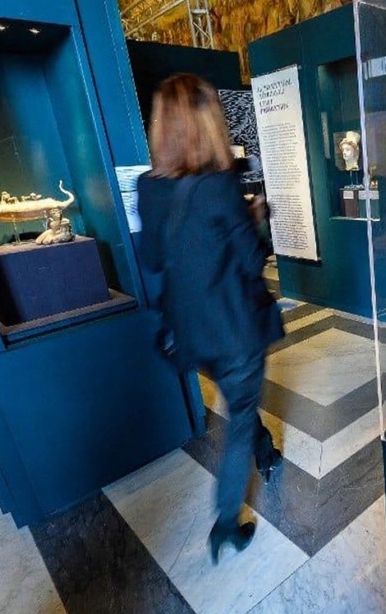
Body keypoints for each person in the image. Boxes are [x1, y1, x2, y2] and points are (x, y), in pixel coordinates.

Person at [136, 74, 284, 565]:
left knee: (240, 404)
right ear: (208, 123)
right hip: (236, 330)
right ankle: (225, 525)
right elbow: (251, 260)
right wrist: (257, 218)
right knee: (238, 421)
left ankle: (266, 453)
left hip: (193, 335)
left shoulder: (149, 188)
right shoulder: (220, 186)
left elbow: (153, 260)